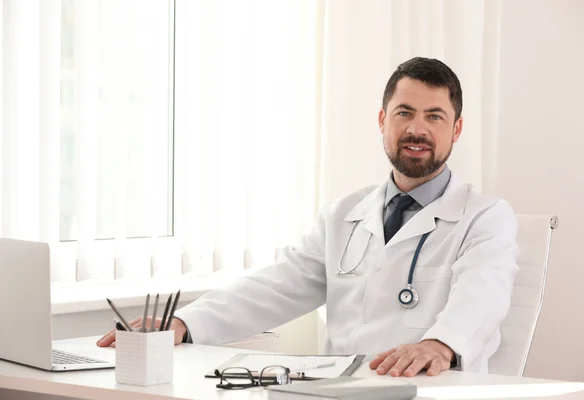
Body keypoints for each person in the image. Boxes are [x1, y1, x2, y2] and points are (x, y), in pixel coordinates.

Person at [97, 57, 518, 377]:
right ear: (382, 120)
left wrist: (441, 345)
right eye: (404, 113)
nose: (416, 129)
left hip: (431, 388)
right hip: (342, 389)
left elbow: (482, 297)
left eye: (434, 116)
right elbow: (277, 287)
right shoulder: (344, 215)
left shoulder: (485, 218)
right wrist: (184, 322)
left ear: (457, 130)